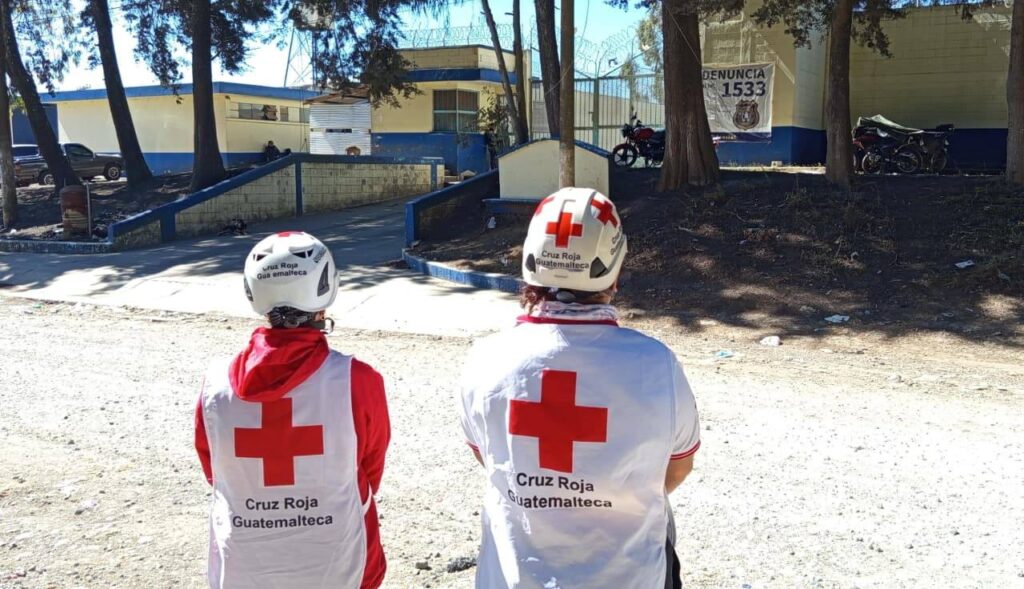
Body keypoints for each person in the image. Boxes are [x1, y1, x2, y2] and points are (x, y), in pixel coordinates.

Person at [458, 187, 701, 589]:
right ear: (616, 267)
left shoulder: (485, 359)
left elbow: (491, 457)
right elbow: (677, 467)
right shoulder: (656, 364)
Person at [194, 231, 390, 588]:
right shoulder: (357, 381)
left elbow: (217, 472)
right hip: (341, 563)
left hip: (243, 569)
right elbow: (367, 471)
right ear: (325, 288)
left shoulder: (214, 387)